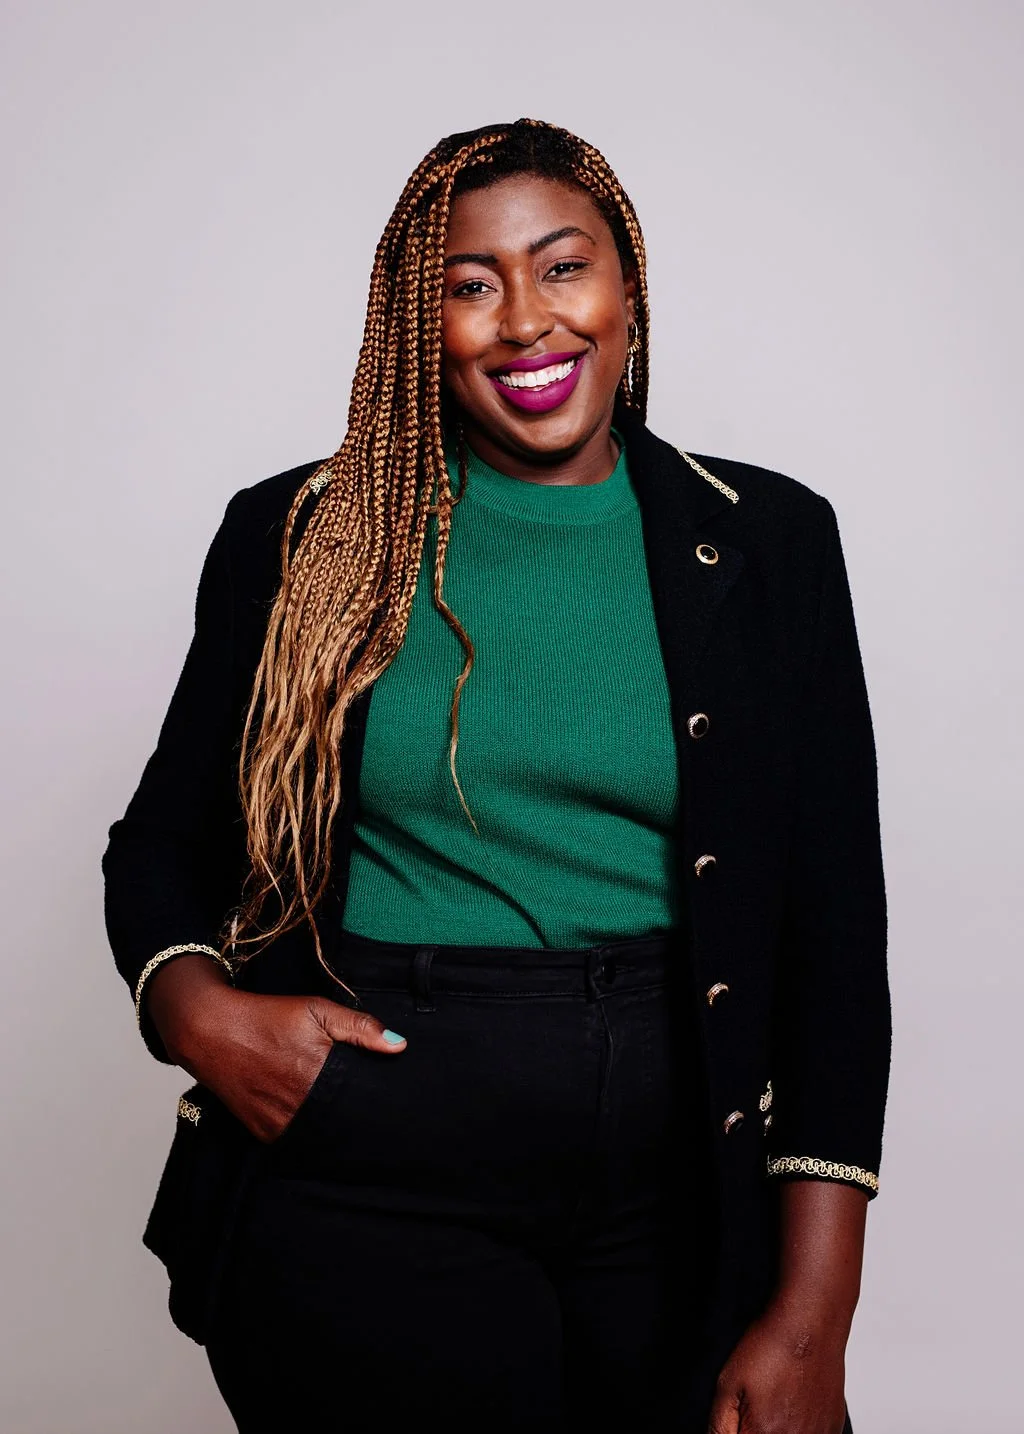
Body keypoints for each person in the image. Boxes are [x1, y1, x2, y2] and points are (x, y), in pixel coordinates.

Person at [103, 118, 890, 1434]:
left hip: (680, 1191)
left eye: (562, 267)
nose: (525, 319)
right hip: (378, 1170)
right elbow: (162, 842)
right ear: (423, 326)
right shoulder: (303, 537)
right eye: (469, 286)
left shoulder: (770, 546)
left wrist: (814, 1313)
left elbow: (832, 937)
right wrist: (200, 1012)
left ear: (627, 288)